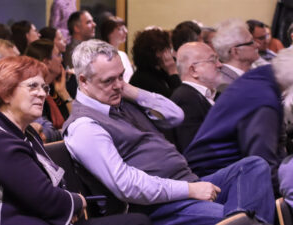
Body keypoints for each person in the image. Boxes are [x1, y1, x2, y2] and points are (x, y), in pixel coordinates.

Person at [62, 39, 275, 224]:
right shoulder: (84, 126)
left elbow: (176, 115)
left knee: (254, 166)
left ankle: (245, 219)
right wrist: (189, 190)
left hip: (189, 183)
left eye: (121, 76)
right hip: (157, 206)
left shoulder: (121, 98)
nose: (118, 85)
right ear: (83, 81)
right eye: (109, 80)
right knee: (237, 217)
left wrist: (131, 90)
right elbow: (126, 185)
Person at [0, 55, 151, 225]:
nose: (42, 93)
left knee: (138, 219)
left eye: (43, 87)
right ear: (5, 93)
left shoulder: (21, 132)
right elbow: (46, 200)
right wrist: (79, 201)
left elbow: (49, 192)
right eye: (32, 86)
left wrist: (69, 204)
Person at [185, 48, 293, 193]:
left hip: (213, 169)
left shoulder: (259, 76)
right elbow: (263, 165)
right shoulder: (264, 103)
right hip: (215, 178)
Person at [170, 42, 222, 152]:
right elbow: (194, 151)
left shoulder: (212, 96)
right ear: (193, 70)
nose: (219, 65)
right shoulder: (185, 99)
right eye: (213, 60)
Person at [26, 39, 73, 129]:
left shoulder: (54, 89)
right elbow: (45, 131)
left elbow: (78, 120)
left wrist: (63, 92)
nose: (62, 59)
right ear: (47, 62)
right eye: (59, 55)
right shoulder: (33, 94)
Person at [212, 19, 260, 93]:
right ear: (236, 51)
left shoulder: (254, 73)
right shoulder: (225, 85)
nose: (257, 45)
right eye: (251, 42)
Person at [129, 28, 180, 98]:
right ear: (157, 52)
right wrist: (173, 71)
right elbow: (177, 100)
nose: (172, 54)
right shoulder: (144, 78)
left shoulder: (158, 71)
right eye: (169, 49)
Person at [101, 16, 134, 83]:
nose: (126, 31)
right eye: (120, 29)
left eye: (125, 28)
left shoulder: (123, 54)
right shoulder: (103, 56)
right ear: (109, 33)